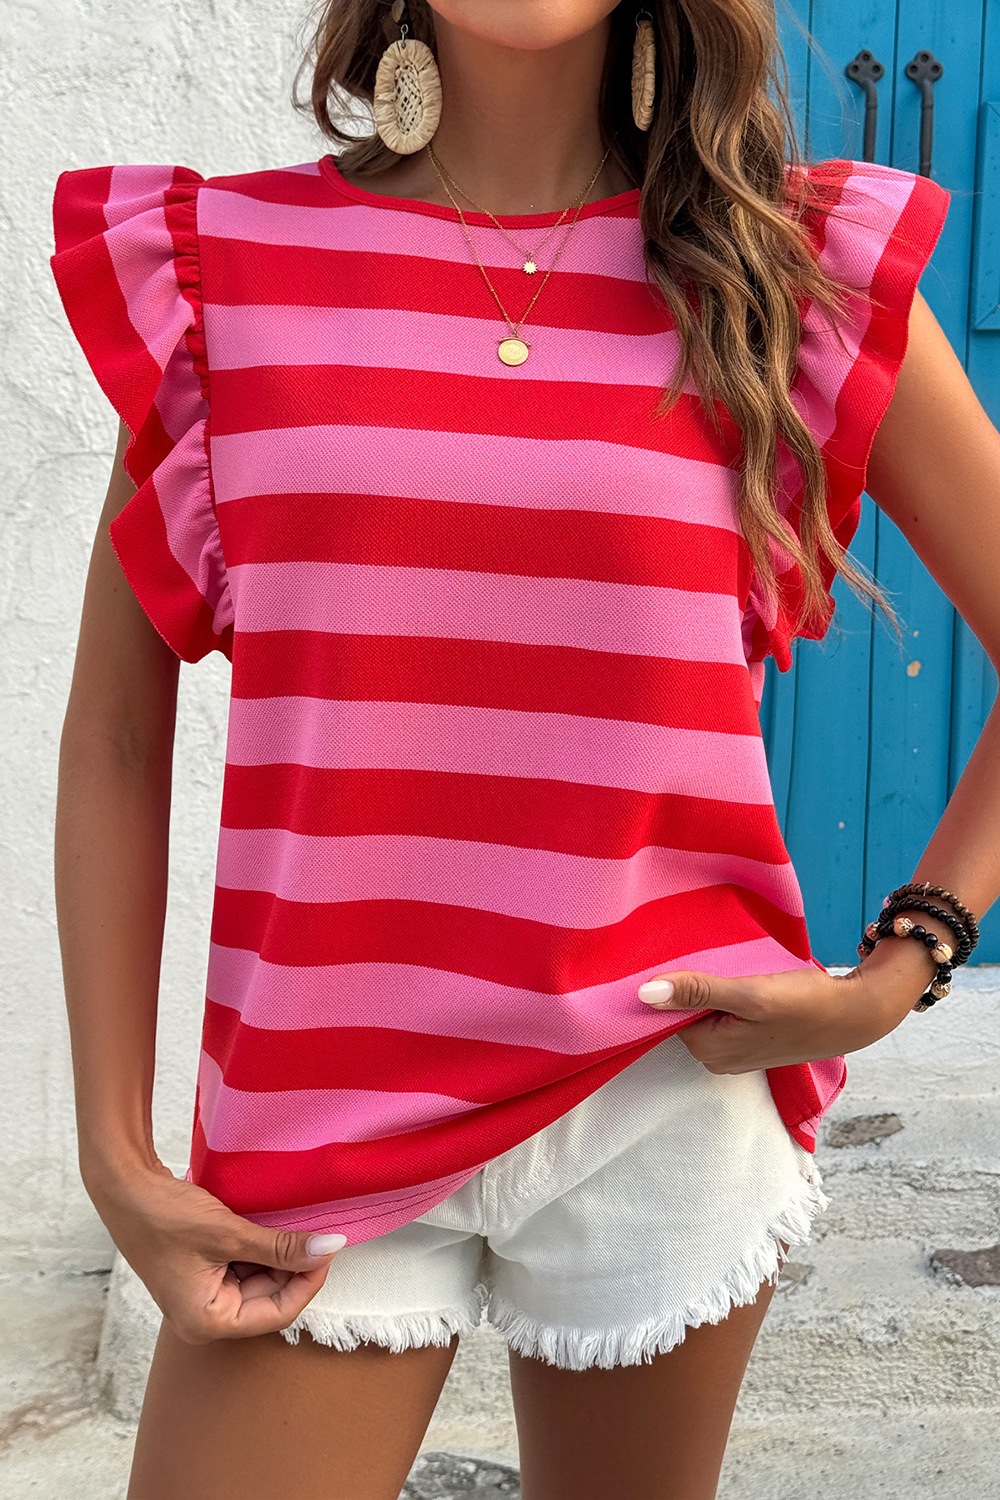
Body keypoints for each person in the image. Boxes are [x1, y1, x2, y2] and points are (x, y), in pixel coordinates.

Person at [49, 2, 1000, 1497]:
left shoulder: (783, 275)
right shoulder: (223, 273)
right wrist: (115, 1153)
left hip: (664, 1081)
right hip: (321, 1115)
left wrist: (902, 968)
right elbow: (116, 731)